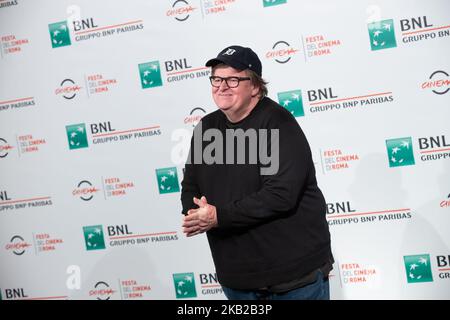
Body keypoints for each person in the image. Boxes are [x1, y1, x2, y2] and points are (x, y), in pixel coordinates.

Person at [181, 45, 334, 300]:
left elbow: (280, 194)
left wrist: (219, 216)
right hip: (237, 280)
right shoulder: (207, 128)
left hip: (293, 279)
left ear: (254, 87)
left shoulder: (278, 124)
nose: (222, 86)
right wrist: (196, 212)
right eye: (217, 79)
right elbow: (191, 185)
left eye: (232, 79)